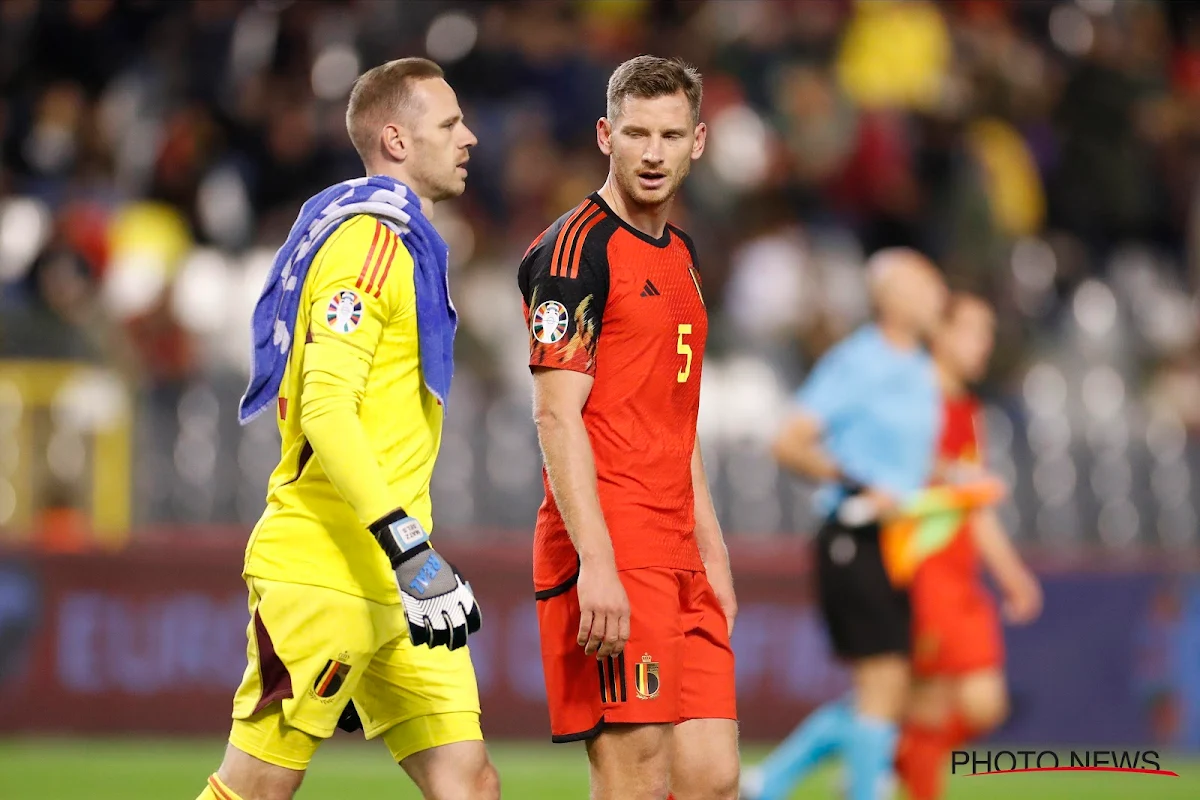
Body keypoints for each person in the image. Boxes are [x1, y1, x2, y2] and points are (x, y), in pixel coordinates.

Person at [196, 58, 496, 800]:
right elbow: (326, 410)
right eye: (450, 123)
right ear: (396, 138)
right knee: (259, 787)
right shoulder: (366, 244)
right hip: (330, 567)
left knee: (470, 783)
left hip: (399, 582)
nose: (471, 137)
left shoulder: (402, 241)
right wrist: (410, 549)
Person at [517, 56, 740, 800]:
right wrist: (597, 564)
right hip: (613, 543)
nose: (653, 153)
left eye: (670, 135)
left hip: (678, 549)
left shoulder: (683, 254)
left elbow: (678, 414)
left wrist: (710, 549)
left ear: (698, 142)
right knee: (635, 776)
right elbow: (555, 413)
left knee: (711, 779)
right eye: (637, 134)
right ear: (605, 135)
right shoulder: (576, 251)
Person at [744, 249, 947, 800]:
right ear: (893, 299)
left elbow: (910, 467)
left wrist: (950, 478)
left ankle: (769, 784)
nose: (938, 299)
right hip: (854, 535)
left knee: (889, 687)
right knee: (881, 682)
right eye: (926, 287)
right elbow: (789, 442)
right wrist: (857, 480)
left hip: (900, 541)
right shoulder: (858, 362)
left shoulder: (922, 369)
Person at [895, 293, 1043, 800]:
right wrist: (952, 474)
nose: (984, 344)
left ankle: (893, 754)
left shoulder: (968, 409)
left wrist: (1011, 574)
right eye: (973, 331)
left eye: (988, 333)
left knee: (985, 705)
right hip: (922, 567)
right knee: (931, 704)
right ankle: (903, 767)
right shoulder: (913, 400)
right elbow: (891, 471)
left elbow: (974, 507)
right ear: (940, 334)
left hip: (961, 577)